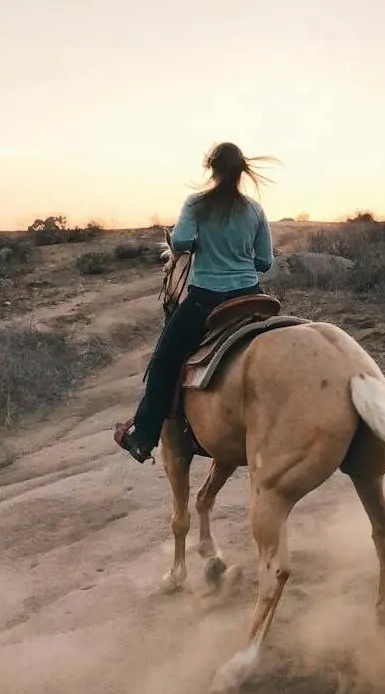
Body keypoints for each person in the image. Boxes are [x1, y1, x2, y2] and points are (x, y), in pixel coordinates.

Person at [114, 142, 277, 463]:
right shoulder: (255, 210)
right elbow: (265, 261)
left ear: (212, 169)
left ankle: (144, 436)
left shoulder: (196, 204)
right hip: (253, 297)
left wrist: (205, 242)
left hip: (207, 299)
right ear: (242, 172)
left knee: (163, 360)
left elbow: (181, 242)